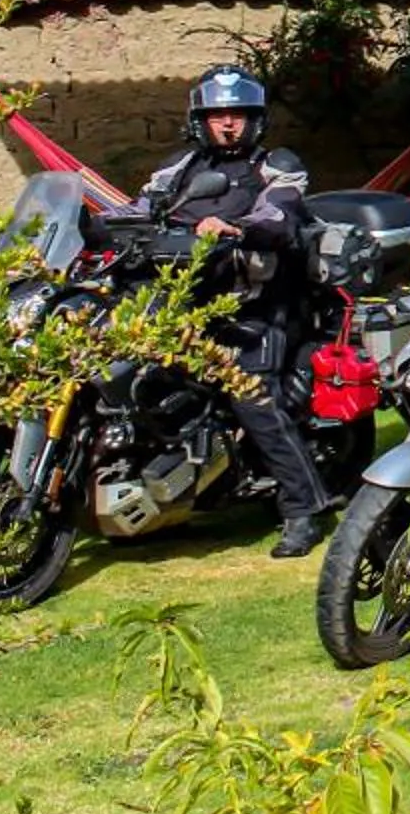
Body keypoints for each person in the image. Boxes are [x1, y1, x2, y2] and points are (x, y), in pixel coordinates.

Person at [131, 66, 331, 559]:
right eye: (217, 114)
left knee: (254, 400)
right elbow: (139, 209)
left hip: (259, 308)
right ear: (200, 119)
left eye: (237, 115)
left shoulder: (277, 166)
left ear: (255, 120)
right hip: (185, 304)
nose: (227, 125)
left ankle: (304, 508)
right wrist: (89, 226)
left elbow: (281, 215)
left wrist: (235, 226)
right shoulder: (177, 171)